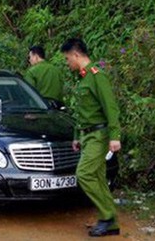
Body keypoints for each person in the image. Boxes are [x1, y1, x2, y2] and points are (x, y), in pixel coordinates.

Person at [61, 38, 121, 237]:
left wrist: (115, 136)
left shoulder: (97, 76)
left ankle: (108, 215)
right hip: (87, 135)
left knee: (84, 174)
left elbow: (110, 107)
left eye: (68, 58)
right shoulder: (83, 78)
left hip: (99, 135)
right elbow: (83, 112)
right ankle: (110, 223)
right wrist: (77, 136)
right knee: (98, 178)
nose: (67, 62)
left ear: (76, 55)